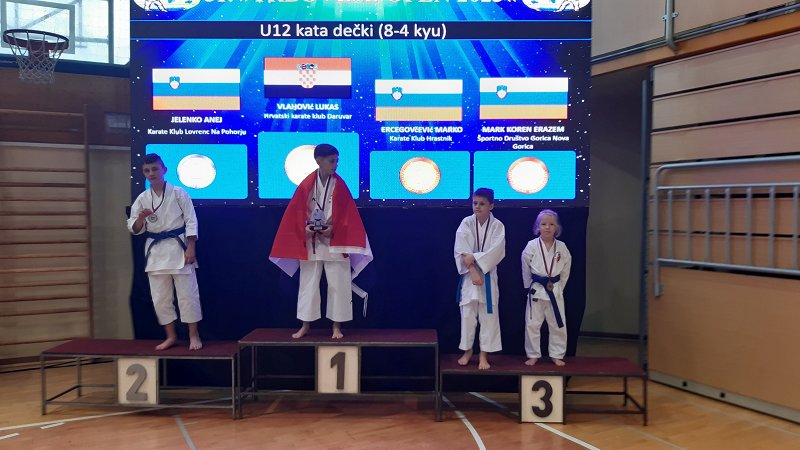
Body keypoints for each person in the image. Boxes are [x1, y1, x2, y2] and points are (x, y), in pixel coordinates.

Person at [270, 143, 372, 339]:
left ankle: (336, 327)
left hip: (336, 241)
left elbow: (348, 216)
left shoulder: (340, 185)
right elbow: (296, 214)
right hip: (312, 241)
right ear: (319, 160)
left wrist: (334, 229)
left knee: (339, 284)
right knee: (308, 284)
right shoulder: (306, 185)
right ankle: (305, 325)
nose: (336, 165)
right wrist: (305, 229)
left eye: (337, 161)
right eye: (332, 161)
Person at [127, 153, 203, 351]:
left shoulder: (179, 193)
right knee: (160, 298)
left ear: (164, 170)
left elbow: (191, 220)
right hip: (156, 253)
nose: (151, 173)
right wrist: (141, 218)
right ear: (144, 173)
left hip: (179, 249)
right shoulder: (142, 199)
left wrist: (191, 247)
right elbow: (134, 229)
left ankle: (193, 335)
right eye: (147, 170)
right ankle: (171, 336)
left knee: (188, 296)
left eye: (155, 169)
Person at [454, 188, 506, 370]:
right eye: (475, 203)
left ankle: (483, 355)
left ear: (491, 206)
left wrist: (474, 257)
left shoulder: (498, 226)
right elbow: (461, 251)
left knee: (488, 317)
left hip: (488, 276)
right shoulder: (466, 223)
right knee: (467, 316)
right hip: (469, 277)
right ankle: (468, 351)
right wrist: (473, 270)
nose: (477, 207)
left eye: (482, 204)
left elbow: (497, 252)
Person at [521, 209, 572, 366]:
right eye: (543, 224)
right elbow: (525, 267)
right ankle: (533, 354)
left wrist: (560, 287)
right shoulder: (531, 246)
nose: (547, 227)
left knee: (558, 324)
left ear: (557, 227)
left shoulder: (562, 247)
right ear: (538, 227)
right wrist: (528, 285)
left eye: (551, 224)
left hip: (555, 290)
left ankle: (557, 354)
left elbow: (566, 268)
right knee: (532, 324)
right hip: (536, 289)